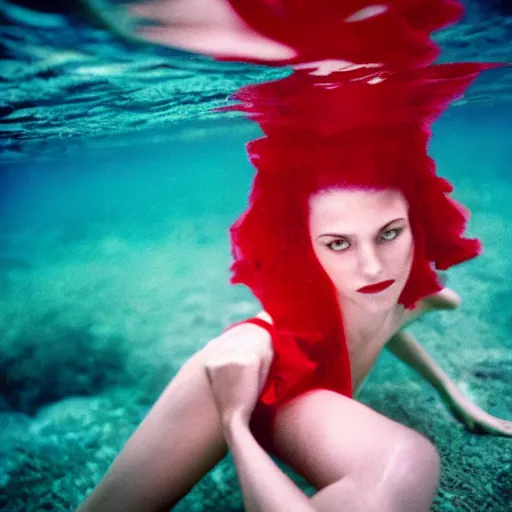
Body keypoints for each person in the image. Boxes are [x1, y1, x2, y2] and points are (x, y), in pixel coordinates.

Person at [76, 60, 512, 512]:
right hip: (262, 381)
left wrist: (455, 398)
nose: (371, 268)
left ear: (418, 227)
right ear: (303, 247)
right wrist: (235, 423)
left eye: (389, 233)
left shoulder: (419, 298)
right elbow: (280, 327)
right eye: (338, 243)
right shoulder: (255, 359)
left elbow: (386, 324)